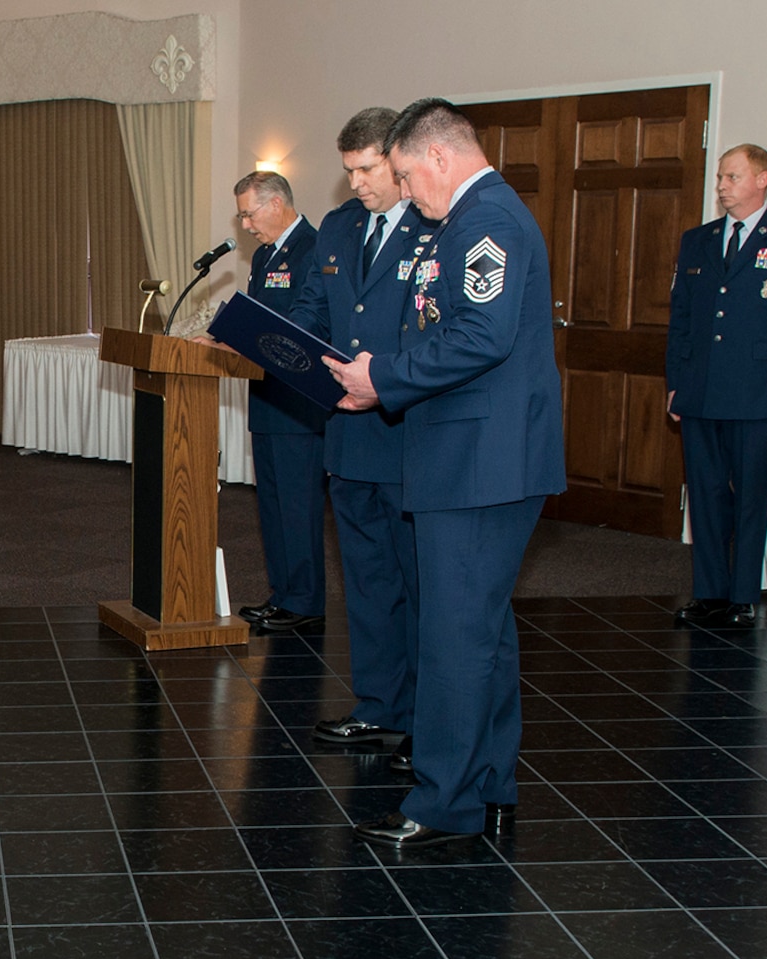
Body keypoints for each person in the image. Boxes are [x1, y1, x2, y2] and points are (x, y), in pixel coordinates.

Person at [326, 97, 565, 847]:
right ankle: (489, 784)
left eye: (401, 173)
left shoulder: (485, 219)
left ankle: (442, 802)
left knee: (454, 637)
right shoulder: (461, 221)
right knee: (482, 635)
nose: (402, 189)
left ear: (437, 157)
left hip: (480, 462)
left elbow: (479, 336)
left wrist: (383, 378)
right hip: (471, 456)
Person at [289, 107, 423, 755]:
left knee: (419, 583)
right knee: (367, 582)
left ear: (398, 160)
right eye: (349, 172)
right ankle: (379, 704)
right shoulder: (339, 228)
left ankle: (427, 719)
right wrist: (268, 338)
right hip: (346, 435)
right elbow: (314, 311)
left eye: (368, 169)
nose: (358, 183)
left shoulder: (434, 227)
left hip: (407, 435)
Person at [665, 143, 767, 629]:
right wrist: (676, 383)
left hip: (761, 391)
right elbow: (682, 319)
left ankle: (741, 596)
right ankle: (710, 592)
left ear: (762, 179)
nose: (721, 187)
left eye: (732, 177)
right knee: (706, 493)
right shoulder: (698, 240)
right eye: (720, 178)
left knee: (752, 495)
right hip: (700, 390)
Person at [233, 169, 329, 631]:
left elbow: (306, 324)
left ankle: (306, 599)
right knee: (270, 501)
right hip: (267, 394)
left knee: (298, 503)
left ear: (275, 204)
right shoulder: (265, 255)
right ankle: (283, 593)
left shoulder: (312, 249)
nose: (246, 225)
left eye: (249, 214)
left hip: (298, 401)